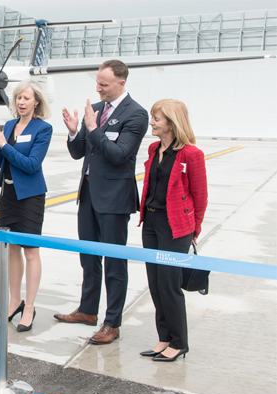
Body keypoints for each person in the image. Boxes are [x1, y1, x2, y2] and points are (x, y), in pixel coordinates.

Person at [57, 60, 148, 344]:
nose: (98, 89)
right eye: (97, 83)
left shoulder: (136, 114)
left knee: (114, 263)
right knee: (88, 257)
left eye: (104, 85)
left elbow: (119, 154)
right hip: (88, 195)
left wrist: (93, 128)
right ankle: (87, 310)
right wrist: (74, 131)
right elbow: (78, 152)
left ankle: (112, 322)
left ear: (121, 83)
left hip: (114, 199)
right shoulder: (94, 110)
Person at [138, 99, 208, 362]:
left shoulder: (192, 154)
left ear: (172, 122)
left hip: (175, 227)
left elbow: (200, 196)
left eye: (157, 118)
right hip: (152, 224)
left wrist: (194, 229)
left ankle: (179, 342)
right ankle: (164, 338)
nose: (152, 123)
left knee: (169, 284)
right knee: (155, 284)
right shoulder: (154, 148)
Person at [0, 80, 52, 332]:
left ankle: (30, 307)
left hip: (30, 197)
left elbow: (31, 164)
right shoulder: (10, 125)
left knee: (30, 251)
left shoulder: (43, 128)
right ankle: (15, 301)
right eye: (18, 98)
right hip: (8, 194)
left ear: (36, 101)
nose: (21, 102)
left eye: (26, 98)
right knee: (11, 249)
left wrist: (4, 145)